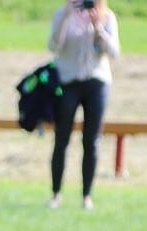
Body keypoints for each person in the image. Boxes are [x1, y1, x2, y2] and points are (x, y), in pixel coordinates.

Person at [48, 0, 120, 209]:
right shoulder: (62, 14)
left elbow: (113, 52)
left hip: (97, 82)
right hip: (68, 81)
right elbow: (53, 45)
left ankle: (86, 195)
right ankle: (56, 194)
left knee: (92, 140)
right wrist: (67, 17)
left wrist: (98, 27)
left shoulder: (107, 17)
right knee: (61, 139)